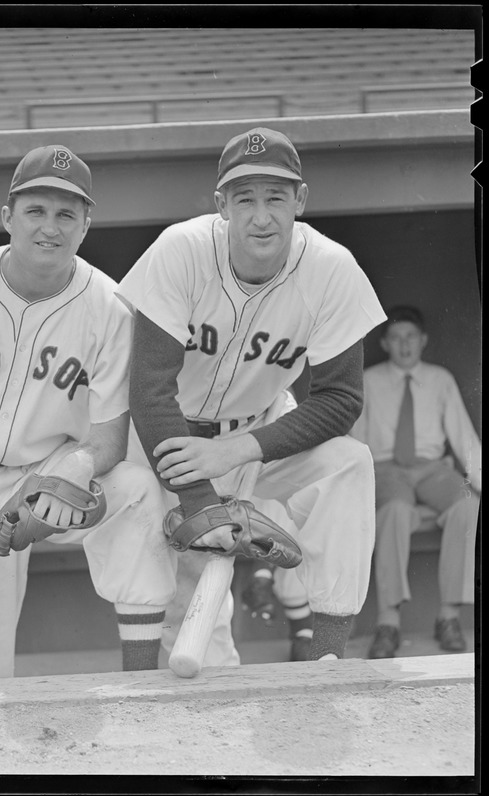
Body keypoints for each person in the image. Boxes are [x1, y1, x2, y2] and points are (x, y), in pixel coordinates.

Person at [0, 145, 175, 681]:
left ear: (87, 224)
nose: (51, 227)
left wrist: (73, 471)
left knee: (138, 488)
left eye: (67, 214)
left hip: (54, 474)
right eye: (36, 211)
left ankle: (142, 682)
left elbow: (110, 438)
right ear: (7, 217)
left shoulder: (110, 308)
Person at [118, 126, 387, 662]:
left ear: (300, 200)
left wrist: (237, 450)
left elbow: (340, 400)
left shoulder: (333, 269)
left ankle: (327, 656)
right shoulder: (182, 251)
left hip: (258, 435)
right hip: (165, 441)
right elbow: (149, 393)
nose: (261, 216)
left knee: (349, 463)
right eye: (245, 199)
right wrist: (202, 507)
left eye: (276, 197)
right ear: (221, 204)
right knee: (199, 641)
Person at [352, 305, 480, 658]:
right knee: (393, 510)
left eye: (411, 337)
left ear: (422, 341)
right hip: (387, 468)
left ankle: (448, 617)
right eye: (396, 338)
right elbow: (355, 440)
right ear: (385, 343)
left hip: (432, 468)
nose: (404, 345)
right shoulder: (369, 380)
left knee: (468, 505)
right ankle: (388, 622)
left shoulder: (441, 380)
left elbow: (464, 439)